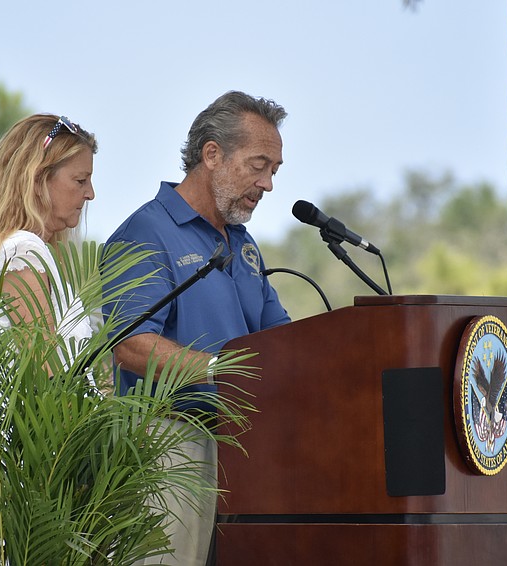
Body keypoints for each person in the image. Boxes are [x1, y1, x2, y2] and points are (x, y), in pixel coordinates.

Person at [102, 91, 292, 565]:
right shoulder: (145, 232)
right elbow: (131, 346)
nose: (267, 183)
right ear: (212, 154)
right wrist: (220, 370)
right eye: (258, 165)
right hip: (170, 447)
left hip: (246, 452)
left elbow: (281, 342)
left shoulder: (244, 244)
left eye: (275, 170)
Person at [0, 113, 98, 375]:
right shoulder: (24, 251)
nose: (90, 194)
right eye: (80, 180)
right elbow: (45, 377)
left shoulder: (22, 249)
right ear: (38, 180)